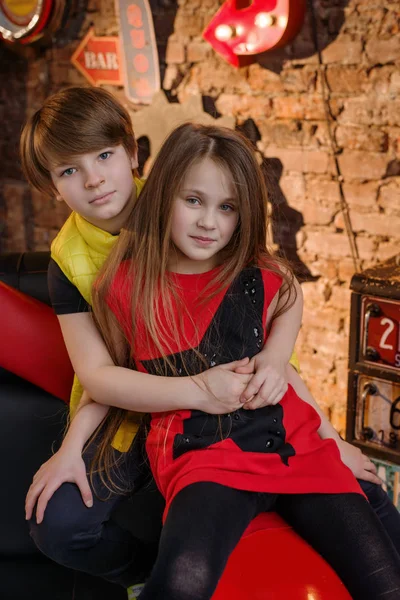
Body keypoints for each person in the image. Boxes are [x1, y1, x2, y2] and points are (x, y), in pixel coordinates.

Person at [62, 122, 399, 600]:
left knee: (384, 580)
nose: (209, 223)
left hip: (295, 447)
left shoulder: (259, 276)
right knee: (181, 582)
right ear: (163, 196)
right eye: (193, 201)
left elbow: (290, 300)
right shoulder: (125, 286)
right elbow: (108, 380)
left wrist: (281, 362)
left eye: (227, 208)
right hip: (205, 460)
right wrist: (70, 447)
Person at [19, 86, 299, 591]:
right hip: (131, 401)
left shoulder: (186, 201)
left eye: (104, 155)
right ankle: (148, 577)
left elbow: (268, 300)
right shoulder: (69, 256)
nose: (94, 179)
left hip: (227, 391)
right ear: (52, 187)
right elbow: (98, 375)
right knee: (56, 524)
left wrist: (320, 425)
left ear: (131, 151)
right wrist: (69, 449)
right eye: (69, 171)